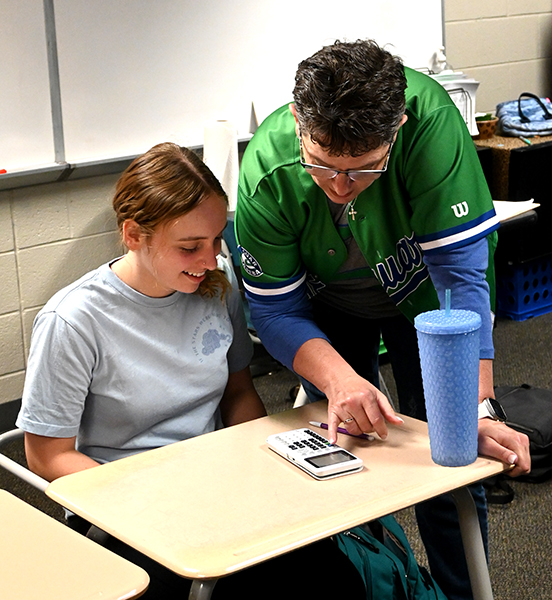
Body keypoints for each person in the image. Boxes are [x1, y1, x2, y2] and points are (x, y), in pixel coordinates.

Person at [234, 40, 531, 600]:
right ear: (299, 121)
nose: (340, 188)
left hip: (424, 300)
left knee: (450, 457)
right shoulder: (266, 170)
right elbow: (274, 308)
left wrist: (476, 407)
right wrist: (338, 379)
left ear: (396, 128)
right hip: (327, 310)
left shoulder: (432, 123)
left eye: (364, 169)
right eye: (323, 165)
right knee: (348, 455)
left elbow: (461, 281)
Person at [16, 142, 366, 599]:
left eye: (217, 239)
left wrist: (267, 461)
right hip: (121, 504)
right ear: (133, 236)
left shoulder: (216, 286)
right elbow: (46, 455)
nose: (210, 258)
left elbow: (238, 392)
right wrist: (150, 499)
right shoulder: (75, 321)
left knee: (332, 576)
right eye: (189, 246)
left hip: (213, 484)